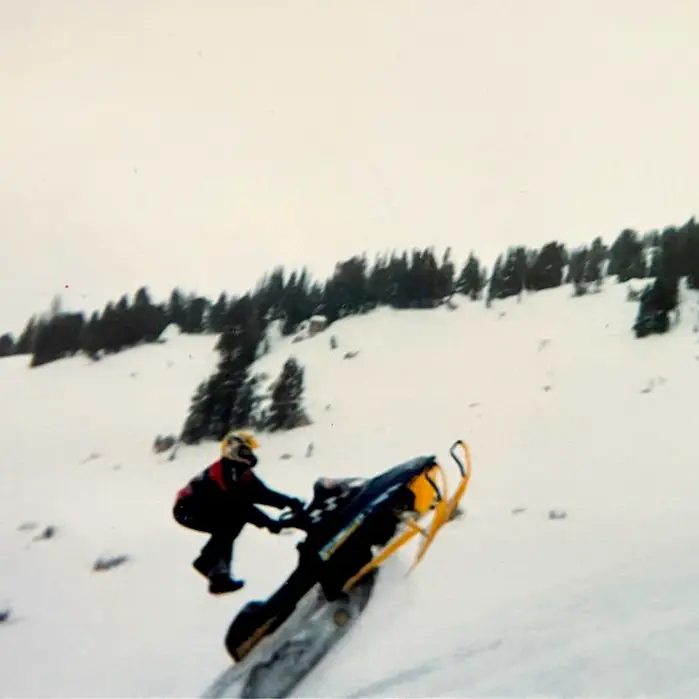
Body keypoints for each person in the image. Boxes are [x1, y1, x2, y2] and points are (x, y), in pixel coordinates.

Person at [172, 430, 305, 594]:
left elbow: (262, 494)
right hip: (187, 507)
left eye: (249, 451)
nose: (249, 455)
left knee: (230, 523)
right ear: (232, 450)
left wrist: (290, 502)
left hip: (201, 507)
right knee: (233, 518)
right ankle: (208, 563)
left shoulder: (241, 471)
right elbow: (241, 505)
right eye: (244, 451)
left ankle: (218, 577)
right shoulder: (227, 469)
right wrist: (270, 524)